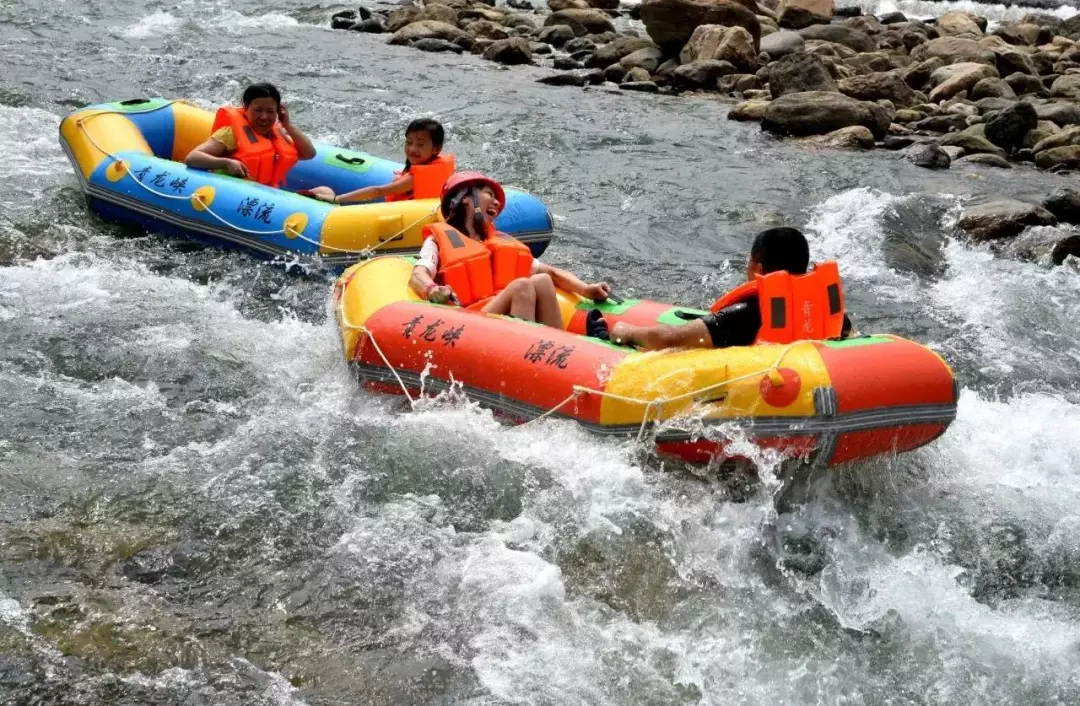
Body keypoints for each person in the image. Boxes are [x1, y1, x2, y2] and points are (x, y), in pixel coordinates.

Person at [410, 171, 611, 331]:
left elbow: (551, 273)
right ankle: (526, 356)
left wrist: (585, 289)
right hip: (469, 324)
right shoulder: (437, 240)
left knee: (542, 281)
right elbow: (419, 274)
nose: (497, 203)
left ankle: (558, 353)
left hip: (502, 324)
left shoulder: (500, 242)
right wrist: (433, 289)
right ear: (465, 198)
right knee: (522, 286)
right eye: (489, 194)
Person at [612, 227, 853, 350]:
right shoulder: (833, 314)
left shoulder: (745, 315)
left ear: (758, 268)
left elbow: (665, 339)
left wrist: (627, 331)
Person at [184, 83, 316, 188]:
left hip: (267, 194)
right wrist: (226, 162)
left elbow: (309, 153)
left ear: (278, 112)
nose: (264, 117)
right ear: (246, 109)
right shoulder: (230, 133)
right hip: (232, 193)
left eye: (270, 111)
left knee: (323, 191)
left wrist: (287, 125)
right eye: (257, 110)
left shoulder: (277, 134)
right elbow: (192, 157)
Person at [306, 119, 455, 205]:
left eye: (420, 144)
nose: (412, 149)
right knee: (323, 192)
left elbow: (377, 191)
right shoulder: (435, 167)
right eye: (408, 142)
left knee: (324, 192)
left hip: (405, 221)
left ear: (436, 148)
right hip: (411, 214)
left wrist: (336, 199)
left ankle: (326, 195)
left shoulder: (415, 179)